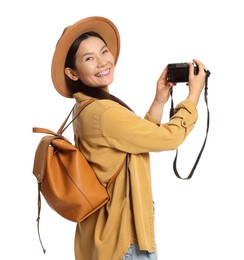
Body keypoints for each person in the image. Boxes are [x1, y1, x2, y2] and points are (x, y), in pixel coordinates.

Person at [51, 16, 207, 260]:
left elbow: (135, 141)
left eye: (104, 51)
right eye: (89, 58)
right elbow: (169, 138)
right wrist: (193, 97)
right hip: (124, 242)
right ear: (72, 72)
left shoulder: (86, 107)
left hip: (100, 238)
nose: (103, 62)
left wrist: (159, 100)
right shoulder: (104, 113)